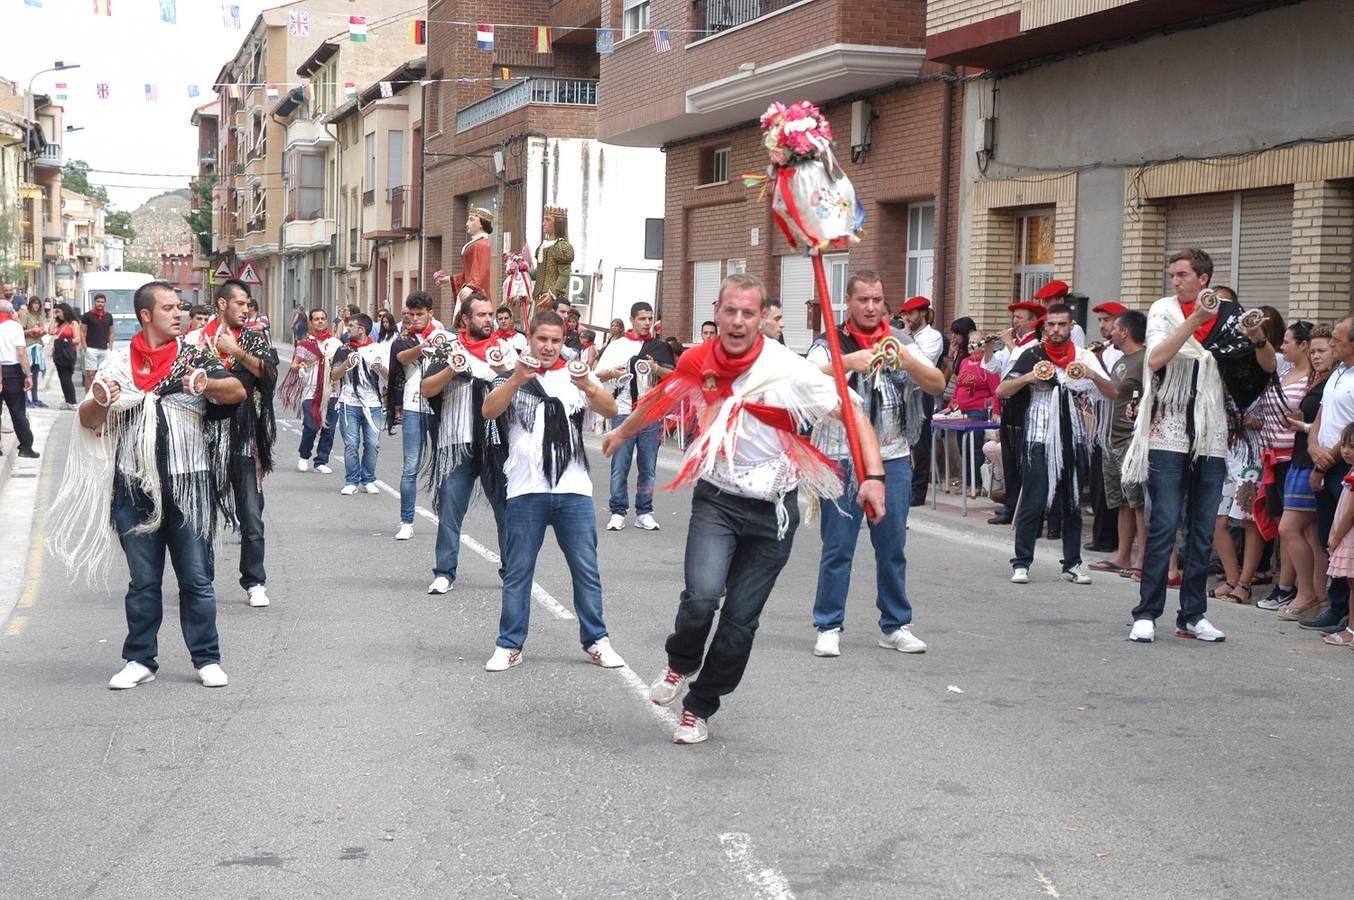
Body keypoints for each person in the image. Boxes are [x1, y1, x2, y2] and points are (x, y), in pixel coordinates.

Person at [605, 273, 886, 744]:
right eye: (729, 311)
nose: (737, 321)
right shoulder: (698, 358)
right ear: (716, 313)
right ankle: (681, 663)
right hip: (718, 500)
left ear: (761, 319)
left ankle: (700, 707)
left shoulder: (789, 369)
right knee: (701, 598)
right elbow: (662, 397)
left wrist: (874, 478)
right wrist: (622, 431)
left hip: (774, 511)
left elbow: (854, 413)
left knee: (740, 621)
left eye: (748, 313)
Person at [50, 281, 246, 689]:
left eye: (181, 307)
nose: (180, 314)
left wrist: (203, 384)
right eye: (169, 308)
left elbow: (236, 391)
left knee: (196, 578)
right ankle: (140, 659)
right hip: (134, 485)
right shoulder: (121, 364)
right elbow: (89, 417)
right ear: (145, 315)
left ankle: (207, 658)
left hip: (188, 480)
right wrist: (102, 399)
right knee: (143, 581)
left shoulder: (192, 358)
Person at [1123, 248, 1276, 643]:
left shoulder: (1230, 315)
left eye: (1182, 275)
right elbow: (1155, 359)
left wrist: (1258, 337)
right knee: (1163, 523)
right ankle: (1146, 613)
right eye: (1172, 275)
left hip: (1212, 427)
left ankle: (1192, 615)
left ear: (1203, 278)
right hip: (1169, 424)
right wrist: (1195, 319)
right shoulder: (1163, 310)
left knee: (1202, 527)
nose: (1175, 281)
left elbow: (1268, 369)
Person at [807, 272, 945, 657]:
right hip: (841, 458)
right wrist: (847, 361)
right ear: (848, 301)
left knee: (892, 546)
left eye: (878, 300)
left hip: (893, 456)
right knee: (838, 547)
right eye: (863, 300)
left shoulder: (900, 340)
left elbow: (936, 383)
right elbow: (802, 381)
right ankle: (829, 624)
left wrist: (906, 360)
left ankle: (895, 625)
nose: (871, 307)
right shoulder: (829, 343)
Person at [479, 309, 624, 672]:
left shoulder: (577, 372)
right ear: (530, 338)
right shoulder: (513, 373)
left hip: (573, 487)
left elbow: (611, 408)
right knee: (518, 570)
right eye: (542, 339)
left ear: (564, 342)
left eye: (555, 341)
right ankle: (510, 644)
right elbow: (488, 411)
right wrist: (515, 380)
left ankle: (597, 641)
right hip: (525, 488)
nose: (548, 347)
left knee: (585, 569)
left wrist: (589, 385)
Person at [998, 303, 1116, 585]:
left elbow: (1112, 392)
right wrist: (1028, 377)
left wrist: (1092, 375)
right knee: (1033, 500)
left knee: (1072, 501)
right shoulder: (1032, 354)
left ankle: (1072, 564)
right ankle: (1022, 562)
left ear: (1070, 326)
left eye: (1061, 324)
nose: (1055, 330)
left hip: (1073, 436)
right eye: (1050, 324)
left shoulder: (1084, 355)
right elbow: (1002, 389)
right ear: (1044, 326)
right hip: (1038, 436)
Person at [189, 279, 279, 609]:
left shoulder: (253, 338)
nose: (246, 308)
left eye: (248, 303)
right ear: (223, 305)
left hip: (245, 438)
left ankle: (254, 581)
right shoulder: (196, 340)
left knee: (252, 514)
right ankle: (202, 578)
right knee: (203, 513)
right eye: (240, 303)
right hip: (205, 437)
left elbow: (269, 374)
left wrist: (237, 352)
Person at [421, 292, 511, 595]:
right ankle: (444, 572)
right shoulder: (448, 349)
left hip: (495, 442)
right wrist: (451, 370)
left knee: (505, 510)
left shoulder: (504, 350)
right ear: (465, 319)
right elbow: (426, 389)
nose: (489, 320)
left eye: (490, 315)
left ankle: (511, 571)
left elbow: (523, 391)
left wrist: (504, 374)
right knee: (449, 511)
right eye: (482, 315)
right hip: (456, 442)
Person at [594, 301, 676, 531]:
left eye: (650, 318)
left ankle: (644, 512)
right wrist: (612, 372)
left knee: (648, 466)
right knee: (620, 465)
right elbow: (597, 375)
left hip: (651, 414)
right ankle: (617, 511)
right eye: (642, 318)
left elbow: (676, 377)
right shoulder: (617, 345)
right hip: (623, 412)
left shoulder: (659, 347)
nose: (647, 323)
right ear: (632, 320)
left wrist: (657, 369)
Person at [1274, 325, 1334, 620]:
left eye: (1323, 351)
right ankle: (1317, 596)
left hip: (1316, 459)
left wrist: (1304, 427)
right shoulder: (1318, 378)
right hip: (1301, 456)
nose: (1317, 356)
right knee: (1311, 532)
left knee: (1292, 528)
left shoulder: (1334, 380)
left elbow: (1333, 424)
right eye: (1314, 351)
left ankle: (1309, 592)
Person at [1303, 315, 1354, 633]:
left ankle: (1344, 610)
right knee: (1327, 537)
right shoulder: (1337, 372)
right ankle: (1334, 607)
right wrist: (1312, 447)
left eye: (1337, 339)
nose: (1331, 344)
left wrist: (1328, 458)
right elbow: (1321, 416)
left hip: (1344, 465)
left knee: (1344, 539)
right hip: (1322, 463)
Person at [1092, 310, 1147, 577]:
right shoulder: (1121, 360)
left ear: (1125, 332)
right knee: (1123, 502)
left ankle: (1142, 559)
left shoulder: (1144, 359)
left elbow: (1115, 391)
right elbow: (1112, 395)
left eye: (1113, 327)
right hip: (1113, 437)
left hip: (1132, 439)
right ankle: (1123, 556)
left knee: (1138, 502)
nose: (1109, 332)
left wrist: (1092, 373)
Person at [386, 291, 445, 540]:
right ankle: (406, 521)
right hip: (412, 407)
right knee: (410, 466)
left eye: (420, 314)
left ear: (430, 313)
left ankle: (446, 516)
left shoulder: (444, 336)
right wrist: (423, 346)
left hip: (440, 407)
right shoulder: (403, 338)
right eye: (411, 314)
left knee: (444, 464)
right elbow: (401, 358)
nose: (415, 319)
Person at [982, 301, 1043, 524]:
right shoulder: (1015, 344)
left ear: (1032, 321)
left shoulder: (1035, 345)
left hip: (1024, 403)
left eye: (1019, 317)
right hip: (1008, 404)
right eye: (1014, 317)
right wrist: (988, 347)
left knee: (1020, 458)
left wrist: (1008, 344)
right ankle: (1011, 502)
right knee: (1009, 457)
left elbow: (1021, 365)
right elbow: (993, 367)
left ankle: (1020, 506)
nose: (1014, 322)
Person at [1085, 302, 1129, 554]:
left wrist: (1095, 368)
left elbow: (1115, 388)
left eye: (1107, 320)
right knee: (1100, 484)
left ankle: (1109, 538)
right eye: (1100, 321)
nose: (1102, 325)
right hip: (1101, 424)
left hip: (1117, 424)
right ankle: (1102, 536)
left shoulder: (1121, 353)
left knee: (1113, 487)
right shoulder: (1106, 351)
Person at [331, 313, 387, 497]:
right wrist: (347, 363)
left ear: (361, 329)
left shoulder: (378, 349)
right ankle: (351, 481)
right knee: (351, 444)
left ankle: (368, 479)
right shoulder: (344, 349)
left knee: (373, 444)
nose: (347, 329)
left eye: (351, 326)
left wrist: (380, 367)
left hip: (373, 404)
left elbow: (390, 378)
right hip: (349, 402)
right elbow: (334, 376)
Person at [896, 296, 944, 506]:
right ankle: (903, 486)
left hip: (921, 390)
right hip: (901, 389)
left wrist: (906, 338)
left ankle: (918, 491)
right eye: (904, 314)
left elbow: (922, 361)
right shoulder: (905, 334)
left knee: (921, 444)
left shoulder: (933, 336)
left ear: (923, 314)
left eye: (910, 314)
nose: (906, 318)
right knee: (902, 440)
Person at [1320, 423, 1354, 646]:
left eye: (1352, 446)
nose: (1346, 450)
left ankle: (1351, 630)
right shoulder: (1350, 471)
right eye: (1343, 445)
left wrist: (1336, 536)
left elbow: (1351, 512)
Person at [0, 300, 38, 458]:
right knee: (17, 411)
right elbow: (21, 352)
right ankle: (26, 446)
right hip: (12, 371)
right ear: (11, 312)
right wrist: (28, 375)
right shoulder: (15, 327)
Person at [530, 207, 574, 314]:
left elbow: (564, 275)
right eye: (544, 219)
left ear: (558, 224)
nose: (543, 223)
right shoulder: (543, 245)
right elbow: (540, 273)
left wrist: (553, 293)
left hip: (552, 301)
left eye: (548, 220)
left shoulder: (562, 246)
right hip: (539, 298)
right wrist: (523, 269)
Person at [453, 208, 493, 304]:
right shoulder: (476, 243)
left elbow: (482, 270)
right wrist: (450, 279)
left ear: (481, 224)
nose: (467, 223)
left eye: (471, 220)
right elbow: (470, 273)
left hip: (476, 294)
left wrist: (471, 287)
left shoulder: (482, 244)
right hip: (471, 291)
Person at [80, 292, 116, 388]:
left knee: (103, 375)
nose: (100, 303)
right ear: (94, 302)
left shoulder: (108, 316)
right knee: (90, 374)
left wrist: (110, 347)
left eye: (102, 302)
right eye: (98, 301)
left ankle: (99, 397)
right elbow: (82, 332)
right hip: (91, 349)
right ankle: (87, 396)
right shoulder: (87, 315)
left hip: (105, 349)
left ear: (105, 303)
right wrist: (85, 348)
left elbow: (111, 332)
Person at [49, 302, 80, 408]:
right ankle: (67, 400)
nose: (58, 314)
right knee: (62, 378)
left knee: (67, 378)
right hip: (59, 354)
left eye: (59, 312)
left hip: (68, 353)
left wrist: (66, 341)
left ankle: (73, 401)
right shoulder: (60, 324)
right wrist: (53, 318)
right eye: (56, 312)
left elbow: (77, 339)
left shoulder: (73, 324)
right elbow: (51, 331)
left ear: (65, 311)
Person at [18, 297, 46, 407]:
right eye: (34, 303)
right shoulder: (25, 315)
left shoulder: (40, 315)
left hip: (38, 346)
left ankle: (35, 399)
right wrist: (31, 330)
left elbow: (43, 329)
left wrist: (43, 331)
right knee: (26, 373)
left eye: (38, 304)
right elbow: (20, 331)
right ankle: (25, 399)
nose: (36, 306)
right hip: (28, 347)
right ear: (30, 304)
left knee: (35, 374)